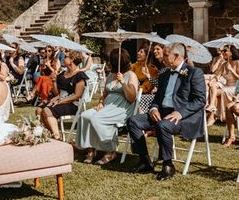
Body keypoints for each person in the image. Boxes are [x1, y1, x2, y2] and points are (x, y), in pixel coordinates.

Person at [126, 43, 206, 179]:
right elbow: (157, 97)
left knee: (163, 125)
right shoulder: (164, 73)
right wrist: (153, 108)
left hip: (183, 116)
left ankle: (167, 164)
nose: (163, 57)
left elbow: (200, 100)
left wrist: (180, 113)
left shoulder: (194, 73)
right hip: (162, 112)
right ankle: (144, 160)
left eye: (166, 54)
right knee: (133, 121)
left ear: (176, 56)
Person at [75, 48, 139, 166]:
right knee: (84, 116)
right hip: (107, 106)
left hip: (122, 108)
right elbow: (104, 94)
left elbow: (131, 98)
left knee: (97, 119)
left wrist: (123, 82)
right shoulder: (111, 75)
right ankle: (91, 148)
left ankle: (110, 150)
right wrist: (100, 102)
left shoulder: (131, 75)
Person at [36, 50, 89, 140]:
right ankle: (46, 133)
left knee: (47, 110)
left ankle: (56, 136)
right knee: (39, 109)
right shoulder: (62, 74)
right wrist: (54, 81)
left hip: (72, 104)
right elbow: (57, 93)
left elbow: (77, 95)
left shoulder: (80, 75)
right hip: (60, 99)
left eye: (66, 57)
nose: (64, 58)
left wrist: (60, 101)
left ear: (71, 60)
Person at [206, 45, 239, 125]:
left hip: (236, 88)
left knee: (213, 91)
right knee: (213, 86)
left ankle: (212, 115)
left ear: (231, 52)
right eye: (222, 51)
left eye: (225, 51)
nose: (223, 52)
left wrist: (232, 70)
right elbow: (217, 76)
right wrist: (212, 81)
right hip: (227, 86)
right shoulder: (224, 64)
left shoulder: (238, 63)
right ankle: (212, 108)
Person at [131, 45, 159, 113]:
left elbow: (147, 88)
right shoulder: (135, 66)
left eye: (141, 52)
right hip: (133, 92)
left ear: (147, 55)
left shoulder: (153, 70)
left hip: (143, 96)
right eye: (138, 51)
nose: (138, 53)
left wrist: (134, 88)